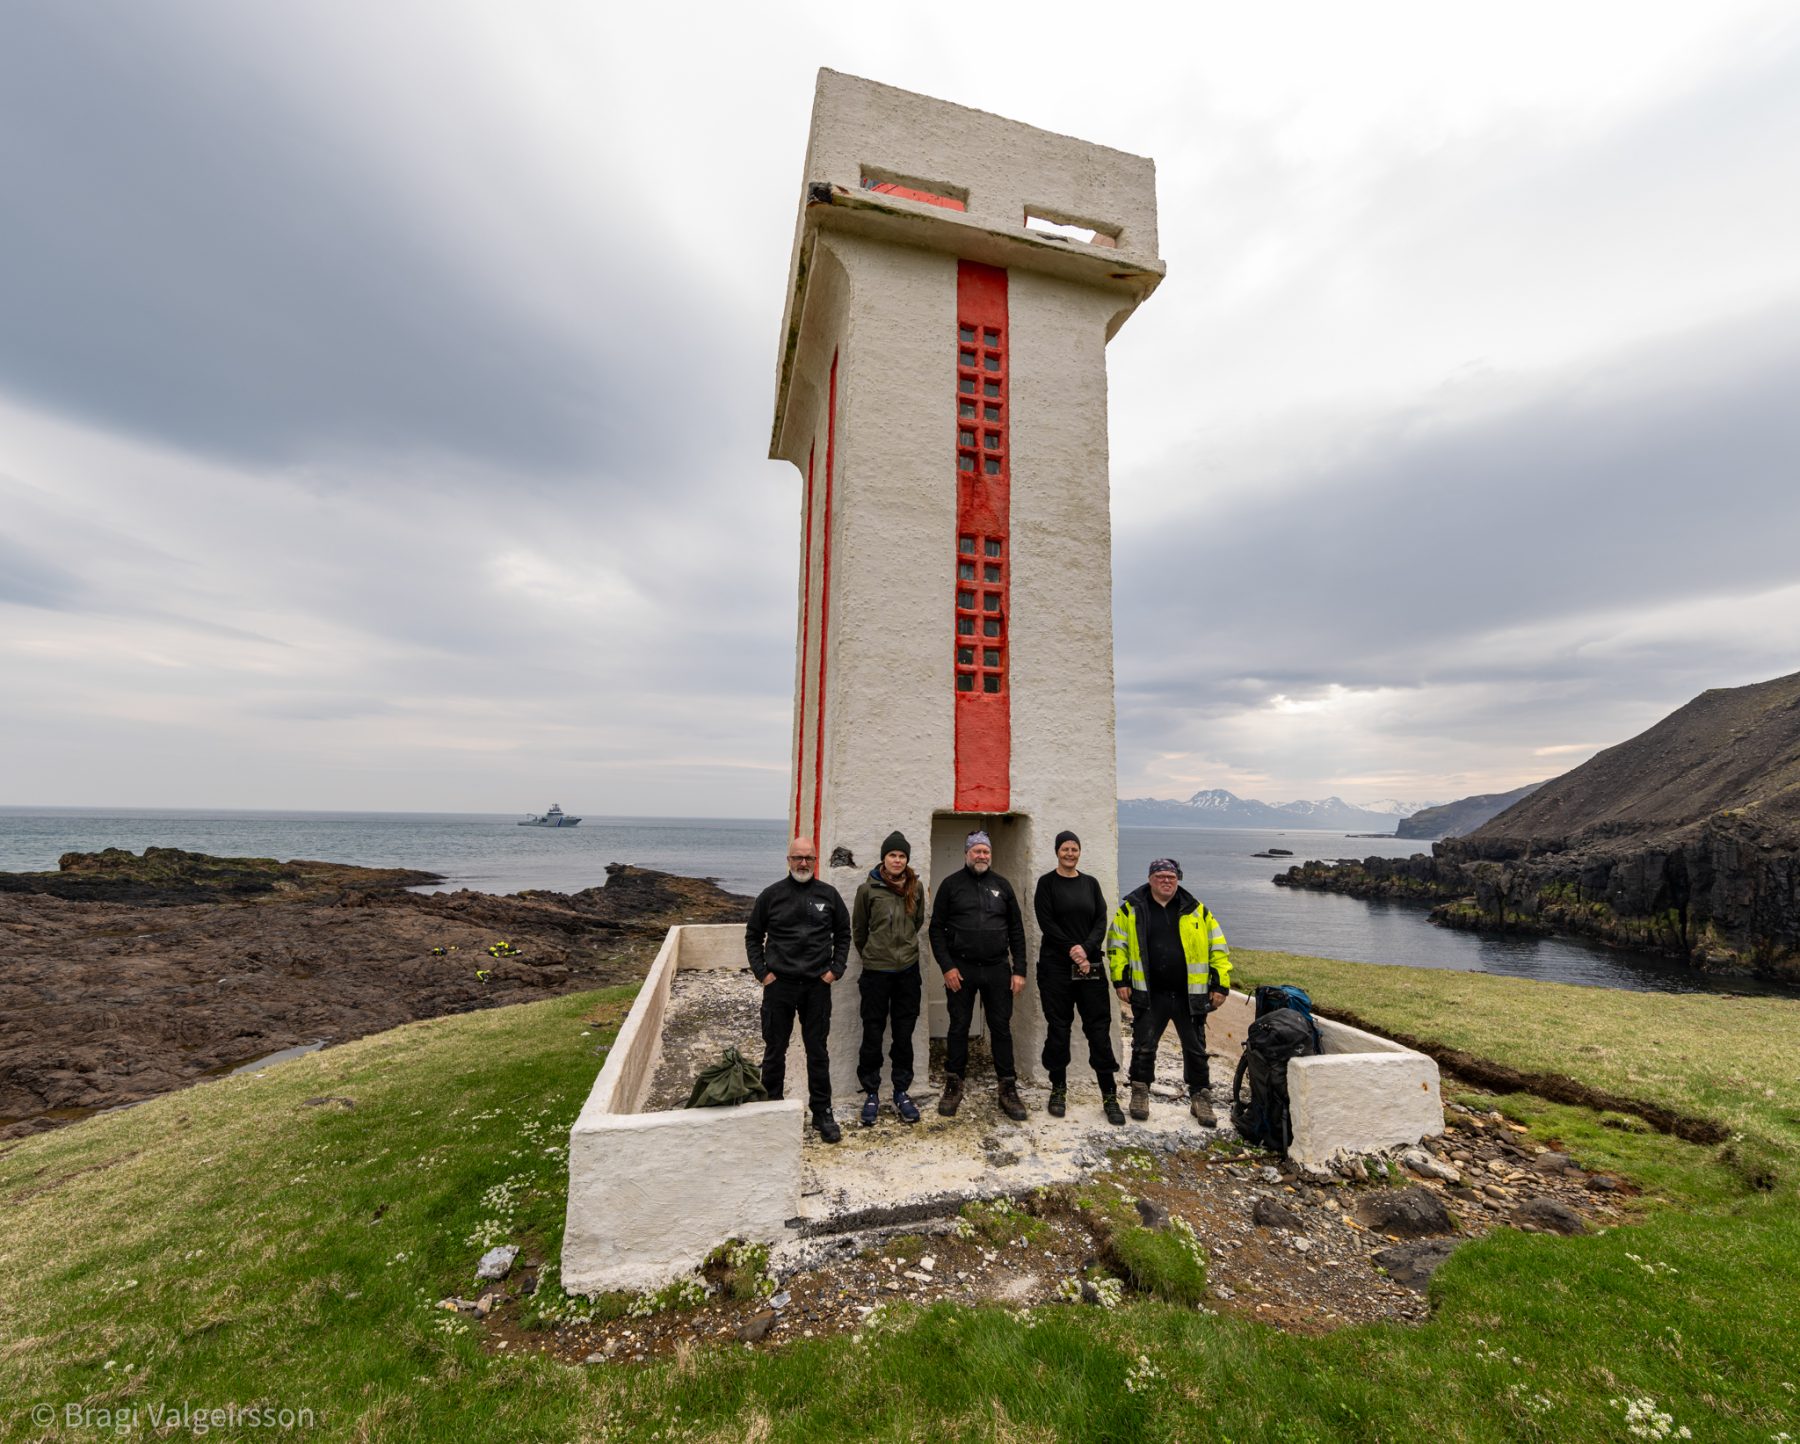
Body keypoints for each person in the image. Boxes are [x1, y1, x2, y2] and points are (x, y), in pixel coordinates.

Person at [1106, 857, 1232, 1126]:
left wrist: (1220, 984)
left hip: (1190, 994)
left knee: (1196, 1048)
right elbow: (1117, 947)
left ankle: (1201, 1097)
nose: (1166, 881)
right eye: (1161, 876)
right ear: (1150, 879)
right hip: (1150, 993)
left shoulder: (1198, 911)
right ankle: (1140, 1092)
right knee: (1143, 1045)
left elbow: (1218, 949)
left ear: (1178, 880)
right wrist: (1120, 980)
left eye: (1171, 877)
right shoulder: (1131, 910)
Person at [745, 835, 850, 1143]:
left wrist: (835, 971)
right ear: (788, 860)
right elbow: (753, 936)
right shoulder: (771, 895)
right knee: (775, 1050)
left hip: (817, 986)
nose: (803, 863)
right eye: (798, 858)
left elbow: (844, 934)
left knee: (818, 1051)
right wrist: (763, 974)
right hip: (779, 986)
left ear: (815, 861)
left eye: (809, 858)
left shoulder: (828, 895)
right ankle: (771, 1111)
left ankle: (822, 1113)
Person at [928, 830, 1029, 1121]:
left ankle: (1007, 1086)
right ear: (966, 854)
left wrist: (1019, 970)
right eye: (976, 851)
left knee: (1000, 1027)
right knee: (959, 1025)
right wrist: (947, 967)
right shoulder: (951, 886)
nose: (981, 856)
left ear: (990, 855)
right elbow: (936, 930)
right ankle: (954, 1081)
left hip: (998, 968)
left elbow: (1017, 931)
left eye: (986, 851)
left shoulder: (1003, 886)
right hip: (961, 968)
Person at [1033, 831, 1124, 1125]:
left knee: (1098, 1028)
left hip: (1090, 966)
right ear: (1057, 852)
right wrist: (1074, 951)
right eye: (1065, 849)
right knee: (1059, 1027)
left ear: (1079, 852)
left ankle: (1109, 1095)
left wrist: (1085, 950)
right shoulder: (1046, 884)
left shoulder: (1090, 883)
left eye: (1074, 848)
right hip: (1056, 967)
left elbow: (1101, 919)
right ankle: (1058, 1088)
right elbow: (1046, 923)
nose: (1070, 853)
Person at [850, 830, 925, 1127]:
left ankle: (901, 1090)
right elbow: (859, 930)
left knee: (903, 1035)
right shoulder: (868, 890)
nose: (897, 860)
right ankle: (871, 1092)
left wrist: (902, 950)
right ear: (884, 858)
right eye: (893, 855)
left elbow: (917, 923)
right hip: (876, 973)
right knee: (872, 1033)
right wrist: (873, 954)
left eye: (902, 855)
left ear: (907, 860)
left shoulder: (915, 888)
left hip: (907, 971)